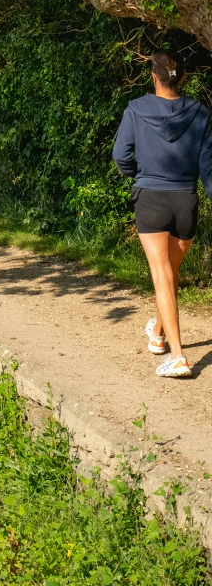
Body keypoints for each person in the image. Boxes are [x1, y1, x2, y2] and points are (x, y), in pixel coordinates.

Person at [113, 51, 212, 378]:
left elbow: (120, 154)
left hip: (152, 198)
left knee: (162, 276)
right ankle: (157, 335)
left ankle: (179, 357)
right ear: (182, 78)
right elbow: (208, 168)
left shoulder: (137, 109)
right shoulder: (200, 113)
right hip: (185, 200)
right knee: (168, 275)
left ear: (153, 76)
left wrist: (138, 174)